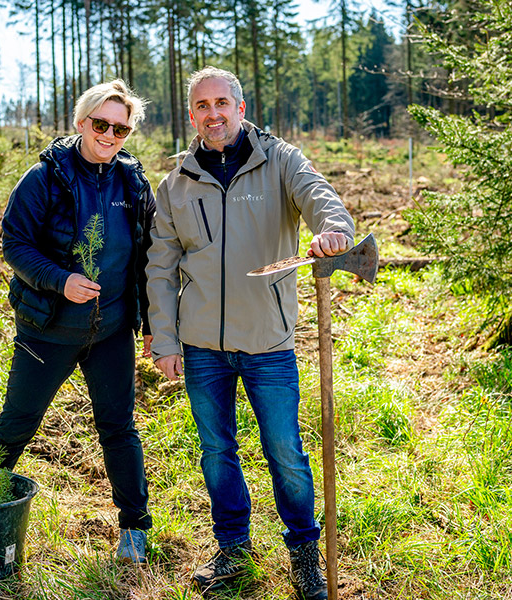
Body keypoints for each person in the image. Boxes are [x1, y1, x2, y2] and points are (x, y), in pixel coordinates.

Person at [146, 66, 355, 599]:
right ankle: (233, 549)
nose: (212, 114)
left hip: (268, 341)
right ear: (190, 115)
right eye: (201, 106)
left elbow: (319, 194)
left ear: (240, 108)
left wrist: (334, 229)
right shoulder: (175, 185)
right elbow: (161, 269)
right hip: (201, 347)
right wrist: (165, 340)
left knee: (284, 450)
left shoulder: (279, 161)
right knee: (217, 450)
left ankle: (305, 554)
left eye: (222, 103)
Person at [0, 80, 154, 564]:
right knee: (17, 423)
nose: (110, 134)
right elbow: (15, 243)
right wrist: (60, 281)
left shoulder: (133, 183)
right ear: (81, 123)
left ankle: (134, 529)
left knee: (119, 428)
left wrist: (152, 325)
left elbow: (149, 256)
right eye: (101, 123)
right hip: (48, 328)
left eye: (121, 128)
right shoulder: (44, 178)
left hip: (112, 331)